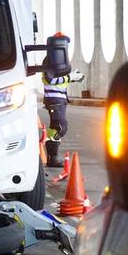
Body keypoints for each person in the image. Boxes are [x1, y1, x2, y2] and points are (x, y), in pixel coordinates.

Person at [42, 32, 84, 167]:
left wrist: (74, 78)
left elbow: (60, 80)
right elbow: (50, 79)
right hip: (54, 99)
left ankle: (51, 157)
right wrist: (70, 77)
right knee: (61, 127)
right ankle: (52, 157)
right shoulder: (49, 61)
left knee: (56, 127)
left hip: (59, 100)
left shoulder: (59, 60)